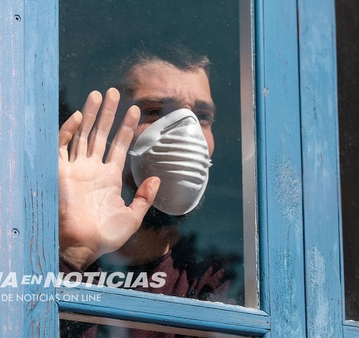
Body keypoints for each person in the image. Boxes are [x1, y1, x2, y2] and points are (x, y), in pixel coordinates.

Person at [58, 46, 234, 337]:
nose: (188, 134)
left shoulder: (214, 280)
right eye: (154, 111)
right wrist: (74, 256)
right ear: (104, 125)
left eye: (202, 117)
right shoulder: (32, 252)